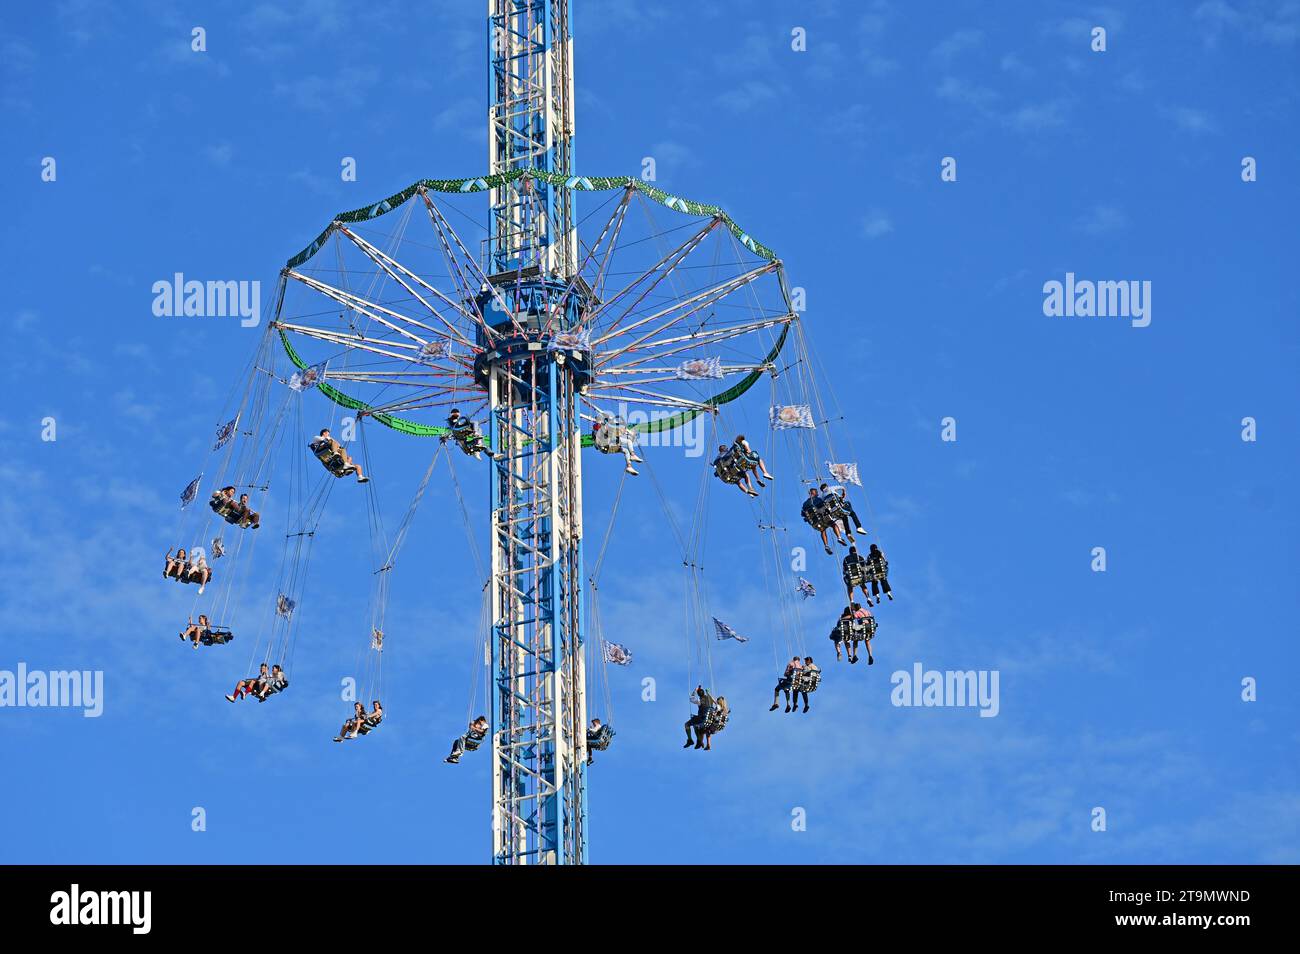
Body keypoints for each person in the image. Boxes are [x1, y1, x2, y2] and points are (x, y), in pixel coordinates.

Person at [802, 487, 847, 555]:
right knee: (833, 524)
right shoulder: (817, 499)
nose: (817, 493)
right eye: (816, 492)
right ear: (813, 493)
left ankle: (826, 545)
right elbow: (824, 504)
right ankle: (839, 538)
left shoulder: (805, 504)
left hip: (815, 522)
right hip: (823, 516)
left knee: (823, 530)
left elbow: (803, 514)